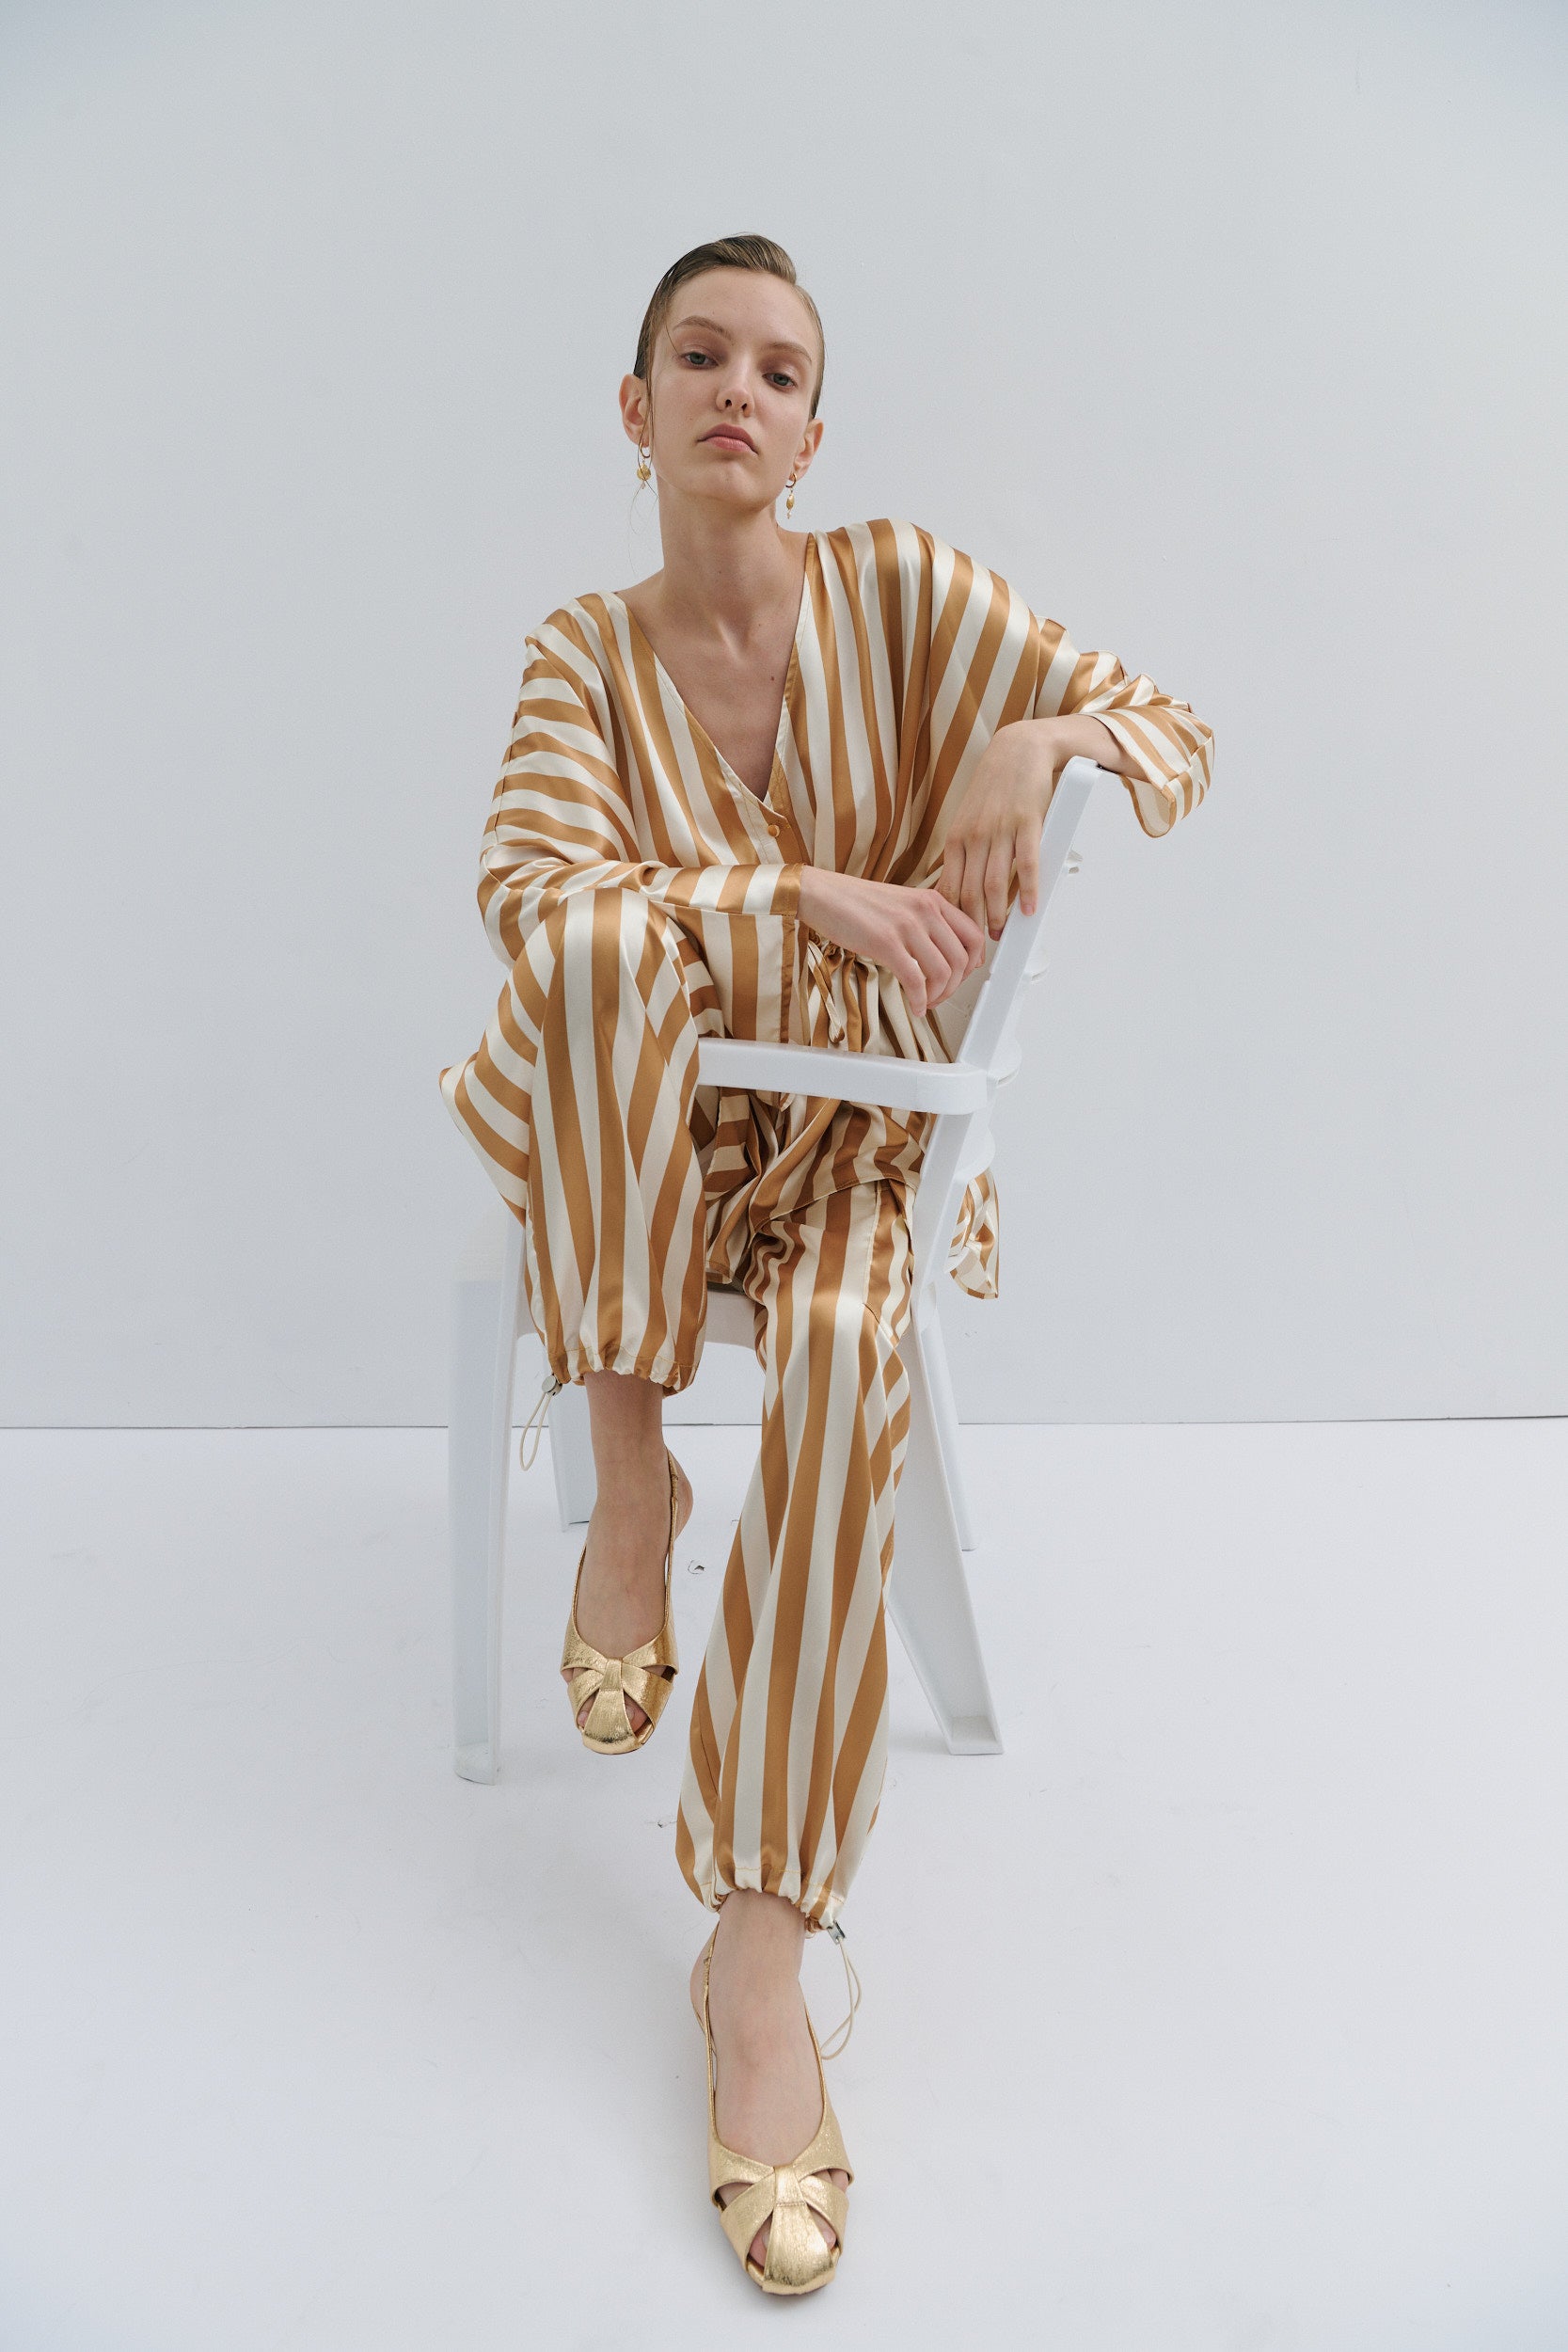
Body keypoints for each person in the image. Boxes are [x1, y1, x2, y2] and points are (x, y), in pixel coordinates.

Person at [438, 232, 1214, 2296]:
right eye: (698, 355)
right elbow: (533, 893)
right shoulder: (576, 654)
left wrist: (1029, 748)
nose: (738, 392)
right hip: (646, 1158)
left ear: (812, 424)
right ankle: (633, 1474)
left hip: (857, 1151)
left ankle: (761, 1954)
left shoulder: (907, 595)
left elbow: (1175, 728)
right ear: (635, 409)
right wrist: (810, 889)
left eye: (781, 368)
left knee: (859, 1338)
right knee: (595, 943)